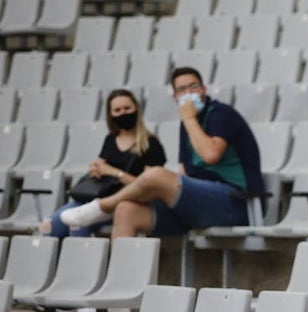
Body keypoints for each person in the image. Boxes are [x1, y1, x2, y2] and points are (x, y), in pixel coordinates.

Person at [61, 66, 264, 238]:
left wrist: (190, 119)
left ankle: (103, 207)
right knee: (127, 210)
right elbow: (185, 172)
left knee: (156, 175)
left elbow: (210, 155)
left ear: (204, 89)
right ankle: (122, 281)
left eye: (193, 87)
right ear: (175, 96)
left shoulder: (220, 114)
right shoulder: (186, 125)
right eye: (182, 90)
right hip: (198, 204)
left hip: (236, 202)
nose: (188, 93)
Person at [42, 89, 167, 237]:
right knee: (49, 226)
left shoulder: (151, 144)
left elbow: (148, 188)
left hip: (125, 203)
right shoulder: (110, 139)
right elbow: (102, 166)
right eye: (117, 110)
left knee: (79, 223)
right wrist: (97, 169)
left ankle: (79, 259)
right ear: (111, 115)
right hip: (97, 199)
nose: (123, 113)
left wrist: (115, 172)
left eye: (127, 108)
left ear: (136, 109)